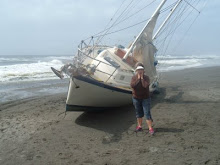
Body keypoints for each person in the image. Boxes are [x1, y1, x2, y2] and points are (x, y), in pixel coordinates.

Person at [130, 64, 154, 135]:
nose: (140, 71)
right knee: (138, 113)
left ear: (143, 71)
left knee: (147, 113)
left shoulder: (146, 78)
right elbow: (132, 85)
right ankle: (139, 126)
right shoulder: (134, 77)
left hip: (145, 98)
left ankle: (150, 128)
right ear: (136, 71)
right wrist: (138, 79)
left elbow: (145, 86)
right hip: (136, 98)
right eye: (138, 70)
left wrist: (142, 78)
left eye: (141, 70)